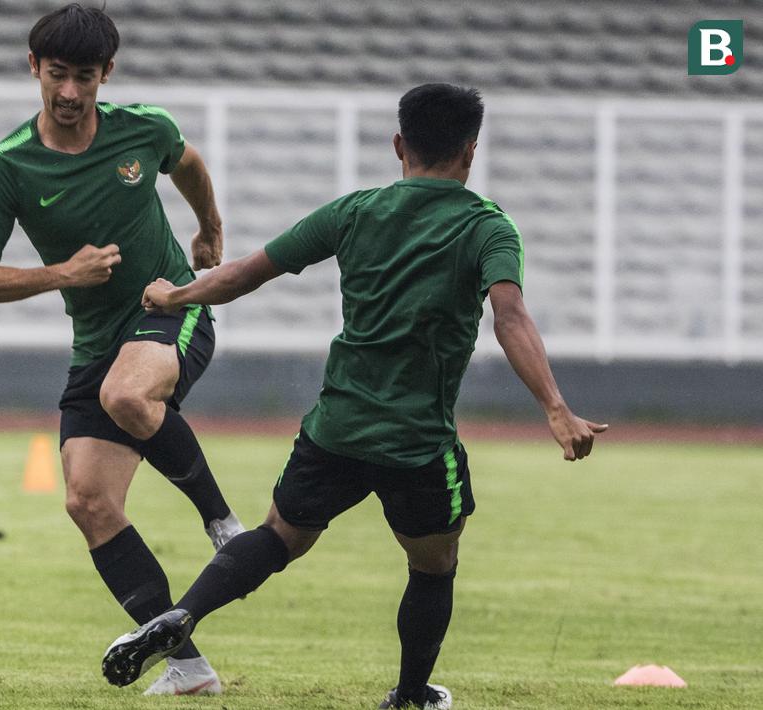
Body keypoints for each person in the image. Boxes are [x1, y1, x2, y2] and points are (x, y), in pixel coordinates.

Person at [100, 83, 608, 709]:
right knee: (433, 566)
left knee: (278, 536)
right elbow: (509, 318)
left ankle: (184, 614)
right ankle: (411, 693)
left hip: (335, 428)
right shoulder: (487, 228)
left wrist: (174, 296)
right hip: (417, 442)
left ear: (399, 144)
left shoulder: (354, 211)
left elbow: (246, 272)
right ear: (470, 151)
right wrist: (555, 408)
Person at [0, 3, 241, 696]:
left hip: (169, 310)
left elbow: (190, 163)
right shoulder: (7, 166)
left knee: (125, 394)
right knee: (87, 501)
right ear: (33, 68)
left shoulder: (145, 129)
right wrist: (60, 274)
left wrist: (209, 231)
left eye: (85, 76)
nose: (71, 92)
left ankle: (224, 526)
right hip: (96, 343)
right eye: (57, 75)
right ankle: (188, 667)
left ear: (106, 74)